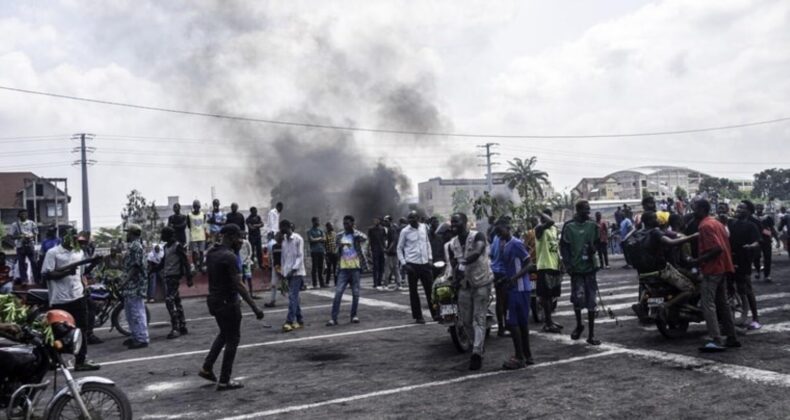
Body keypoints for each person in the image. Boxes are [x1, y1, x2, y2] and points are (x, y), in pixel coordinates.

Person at [198, 224, 265, 391]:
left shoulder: (212, 253)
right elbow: (239, 285)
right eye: (239, 237)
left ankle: (207, 368)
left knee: (224, 334)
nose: (241, 241)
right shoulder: (229, 257)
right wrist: (255, 308)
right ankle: (224, 380)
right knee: (233, 339)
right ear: (231, 236)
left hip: (214, 302)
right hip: (228, 303)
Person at [41, 228, 100, 370]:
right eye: (71, 237)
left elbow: (82, 272)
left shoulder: (79, 252)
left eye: (76, 237)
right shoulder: (53, 253)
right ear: (63, 237)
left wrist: (93, 263)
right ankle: (54, 361)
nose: (74, 240)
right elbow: (46, 275)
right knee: (57, 332)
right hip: (59, 300)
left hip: (78, 296)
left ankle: (80, 361)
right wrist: (66, 272)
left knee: (82, 330)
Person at [690, 199, 739, 352]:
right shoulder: (716, 222)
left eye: (695, 208)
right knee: (722, 304)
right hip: (723, 267)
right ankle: (731, 337)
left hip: (712, 269)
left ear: (702, 209)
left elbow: (716, 248)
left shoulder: (705, 225)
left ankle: (716, 339)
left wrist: (697, 261)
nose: (693, 211)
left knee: (708, 304)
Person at [448, 212, 492, 370]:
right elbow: (453, 264)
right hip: (464, 285)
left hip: (481, 282)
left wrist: (463, 262)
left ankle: (476, 353)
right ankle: (477, 346)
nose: (453, 225)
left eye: (457, 222)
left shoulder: (478, 236)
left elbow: (477, 252)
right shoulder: (452, 244)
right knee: (465, 321)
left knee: (478, 318)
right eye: (452, 222)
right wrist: (453, 279)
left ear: (466, 222)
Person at [560, 200, 601, 346]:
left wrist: (594, 249)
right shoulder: (569, 226)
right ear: (578, 211)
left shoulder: (592, 225)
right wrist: (568, 265)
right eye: (585, 210)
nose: (587, 213)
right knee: (577, 300)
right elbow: (563, 247)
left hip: (590, 269)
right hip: (576, 270)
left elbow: (598, 242)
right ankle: (579, 325)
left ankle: (591, 334)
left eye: (588, 210)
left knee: (591, 301)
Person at [499, 222, 535, 370]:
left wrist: (514, 278)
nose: (498, 233)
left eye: (500, 229)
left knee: (512, 323)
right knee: (521, 323)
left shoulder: (515, 243)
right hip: (515, 288)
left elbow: (529, 263)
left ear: (508, 228)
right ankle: (527, 355)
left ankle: (520, 357)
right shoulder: (505, 244)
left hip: (519, 289)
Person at [326, 215, 367, 326]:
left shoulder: (356, 235)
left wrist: (354, 231)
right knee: (338, 293)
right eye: (344, 223)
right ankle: (333, 318)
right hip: (343, 269)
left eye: (347, 223)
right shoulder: (339, 235)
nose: (345, 225)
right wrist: (338, 247)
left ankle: (354, 315)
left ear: (352, 224)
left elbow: (365, 237)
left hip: (355, 268)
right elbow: (335, 250)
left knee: (356, 293)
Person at [398, 210, 437, 324]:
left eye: (413, 218)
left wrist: (430, 258)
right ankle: (418, 316)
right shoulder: (405, 231)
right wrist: (404, 264)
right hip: (412, 265)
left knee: (430, 291)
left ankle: (435, 314)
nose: (411, 220)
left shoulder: (424, 227)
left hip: (425, 264)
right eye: (409, 218)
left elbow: (427, 243)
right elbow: (399, 248)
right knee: (413, 292)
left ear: (418, 218)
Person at [728, 202, 762, 330]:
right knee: (729, 287)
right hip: (730, 258)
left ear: (749, 212)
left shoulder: (751, 226)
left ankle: (755, 318)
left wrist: (750, 246)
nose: (738, 209)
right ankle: (731, 318)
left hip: (743, 260)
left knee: (746, 289)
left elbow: (757, 242)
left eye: (742, 208)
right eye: (738, 207)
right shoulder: (731, 223)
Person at [159, 226, 194, 339]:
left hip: (174, 277)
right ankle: (182, 326)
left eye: (163, 235)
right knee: (176, 301)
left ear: (168, 235)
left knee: (169, 301)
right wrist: (152, 270)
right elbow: (163, 262)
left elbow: (185, 262)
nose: (161, 237)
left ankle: (176, 328)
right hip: (168, 276)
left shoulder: (177, 246)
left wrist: (189, 278)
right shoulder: (165, 247)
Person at [121, 224, 149, 349]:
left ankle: (142, 338)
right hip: (131, 285)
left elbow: (136, 267)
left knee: (137, 312)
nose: (126, 235)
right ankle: (136, 335)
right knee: (130, 312)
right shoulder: (133, 246)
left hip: (135, 285)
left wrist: (125, 281)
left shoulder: (136, 246)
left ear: (132, 234)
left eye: (128, 233)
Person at [535, 209, 563, 333]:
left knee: (552, 296)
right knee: (546, 297)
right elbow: (550, 221)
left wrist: (560, 261)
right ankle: (547, 323)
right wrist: (540, 212)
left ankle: (550, 320)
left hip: (554, 265)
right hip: (544, 265)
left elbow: (556, 247)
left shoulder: (554, 230)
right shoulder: (539, 229)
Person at [279, 219, 306, 332]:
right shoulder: (284, 241)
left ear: (287, 227)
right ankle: (300, 320)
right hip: (288, 273)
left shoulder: (298, 239)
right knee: (294, 297)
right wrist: (283, 272)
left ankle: (289, 321)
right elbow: (283, 258)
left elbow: (300, 256)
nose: (281, 231)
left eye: (282, 228)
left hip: (297, 272)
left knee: (292, 297)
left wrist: (293, 269)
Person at [488, 218, 509, 337]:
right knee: (502, 302)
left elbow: (491, 254)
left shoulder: (495, 238)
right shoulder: (502, 240)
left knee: (501, 301)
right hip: (502, 272)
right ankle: (502, 327)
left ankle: (503, 326)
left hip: (496, 270)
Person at [752, 203, 780, 282]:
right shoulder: (752, 218)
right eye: (757, 207)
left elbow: (772, 229)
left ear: (763, 208)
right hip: (756, 240)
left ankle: (767, 275)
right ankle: (758, 271)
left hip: (766, 240)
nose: (759, 208)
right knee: (756, 257)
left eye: (761, 207)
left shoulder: (768, 218)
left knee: (767, 257)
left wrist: (777, 240)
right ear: (755, 208)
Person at [9, 210, 38, 285]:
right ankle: (24, 280)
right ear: (19, 215)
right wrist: (20, 236)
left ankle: (37, 279)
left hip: (30, 245)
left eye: (25, 214)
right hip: (20, 246)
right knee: (21, 264)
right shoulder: (15, 224)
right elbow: (11, 236)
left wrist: (30, 236)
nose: (24, 215)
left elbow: (36, 233)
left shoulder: (31, 223)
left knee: (34, 262)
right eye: (22, 214)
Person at [264, 232, 283, 308]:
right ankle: (272, 300)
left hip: (283, 267)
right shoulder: (274, 246)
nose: (278, 238)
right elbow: (272, 257)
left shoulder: (284, 245)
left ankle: (294, 299)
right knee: (273, 284)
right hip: (276, 267)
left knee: (287, 284)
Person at [382, 216, 401, 290]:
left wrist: (388, 249)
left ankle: (386, 285)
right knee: (395, 268)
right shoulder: (393, 228)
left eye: (386, 221)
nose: (385, 222)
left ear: (390, 221)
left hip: (391, 252)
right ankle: (398, 284)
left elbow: (393, 241)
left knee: (387, 268)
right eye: (384, 221)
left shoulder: (391, 229)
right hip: (394, 251)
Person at [307, 217, 327, 289]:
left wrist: (316, 239)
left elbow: (324, 239)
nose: (318, 222)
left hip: (321, 251)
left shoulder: (321, 230)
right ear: (313, 222)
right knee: (314, 268)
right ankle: (314, 283)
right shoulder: (309, 231)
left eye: (318, 221)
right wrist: (319, 238)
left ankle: (322, 283)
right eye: (316, 221)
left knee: (321, 268)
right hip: (314, 251)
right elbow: (311, 240)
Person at [368, 217, 387, 291]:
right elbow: (369, 239)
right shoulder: (371, 229)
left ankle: (379, 282)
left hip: (381, 250)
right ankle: (375, 282)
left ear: (379, 221)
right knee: (375, 267)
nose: (375, 221)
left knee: (381, 267)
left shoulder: (382, 229)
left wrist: (385, 248)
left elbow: (384, 239)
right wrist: (368, 249)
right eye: (374, 220)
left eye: (377, 220)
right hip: (374, 250)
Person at [189, 200, 207, 272]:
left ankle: (201, 266)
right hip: (193, 236)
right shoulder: (189, 215)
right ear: (193, 207)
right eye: (195, 206)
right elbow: (189, 225)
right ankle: (195, 265)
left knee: (201, 251)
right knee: (194, 252)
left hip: (201, 235)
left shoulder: (203, 215)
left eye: (198, 206)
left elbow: (204, 224)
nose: (196, 208)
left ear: (199, 207)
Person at [239, 232, 258, 299]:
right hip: (240, 263)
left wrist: (248, 259)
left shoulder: (246, 242)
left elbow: (250, 252)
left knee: (249, 278)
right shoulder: (237, 243)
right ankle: (244, 294)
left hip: (246, 263)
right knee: (242, 279)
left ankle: (251, 293)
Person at [324, 222, 338, 286]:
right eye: (330, 226)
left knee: (336, 268)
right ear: (327, 227)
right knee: (329, 269)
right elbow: (324, 245)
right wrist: (326, 255)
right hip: (329, 254)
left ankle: (336, 282)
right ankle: (327, 282)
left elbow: (337, 244)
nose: (331, 227)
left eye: (332, 226)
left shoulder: (335, 234)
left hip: (335, 253)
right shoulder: (326, 235)